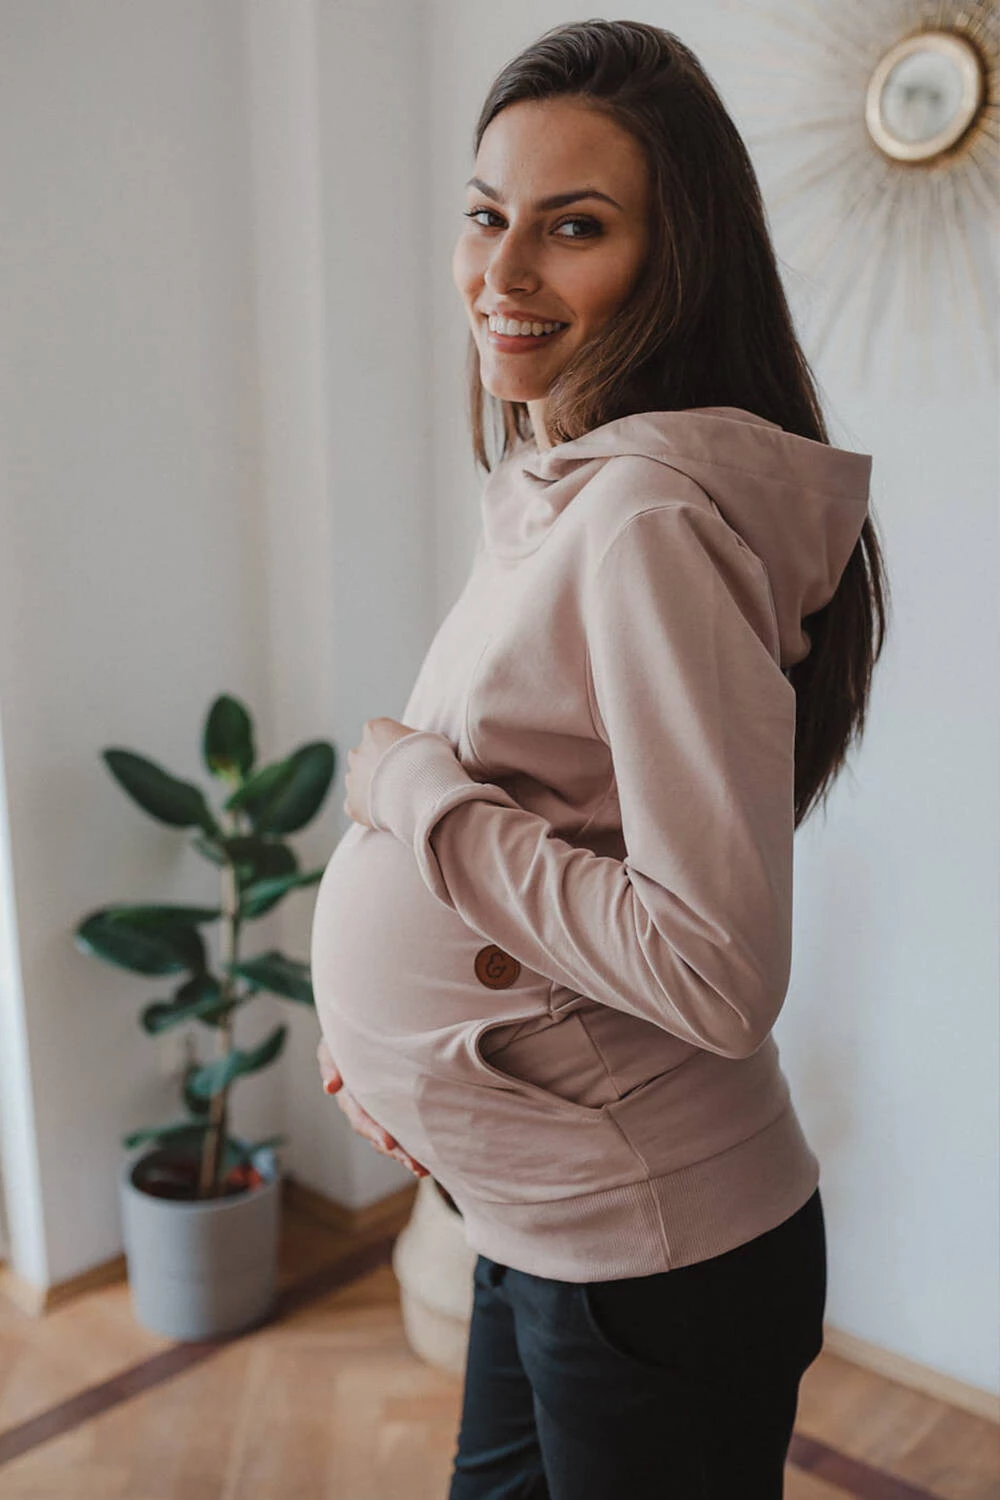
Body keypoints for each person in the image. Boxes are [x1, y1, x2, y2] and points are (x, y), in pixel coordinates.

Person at [311, 18, 888, 1498]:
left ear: (677, 260)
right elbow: (565, 821)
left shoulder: (644, 521)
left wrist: (415, 800)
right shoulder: (563, 481)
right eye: (486, 215)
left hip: (652, 1258)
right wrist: (392, 1052)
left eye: (573, 228)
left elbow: (717, 968)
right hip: (542, 1214)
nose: (501, 273)